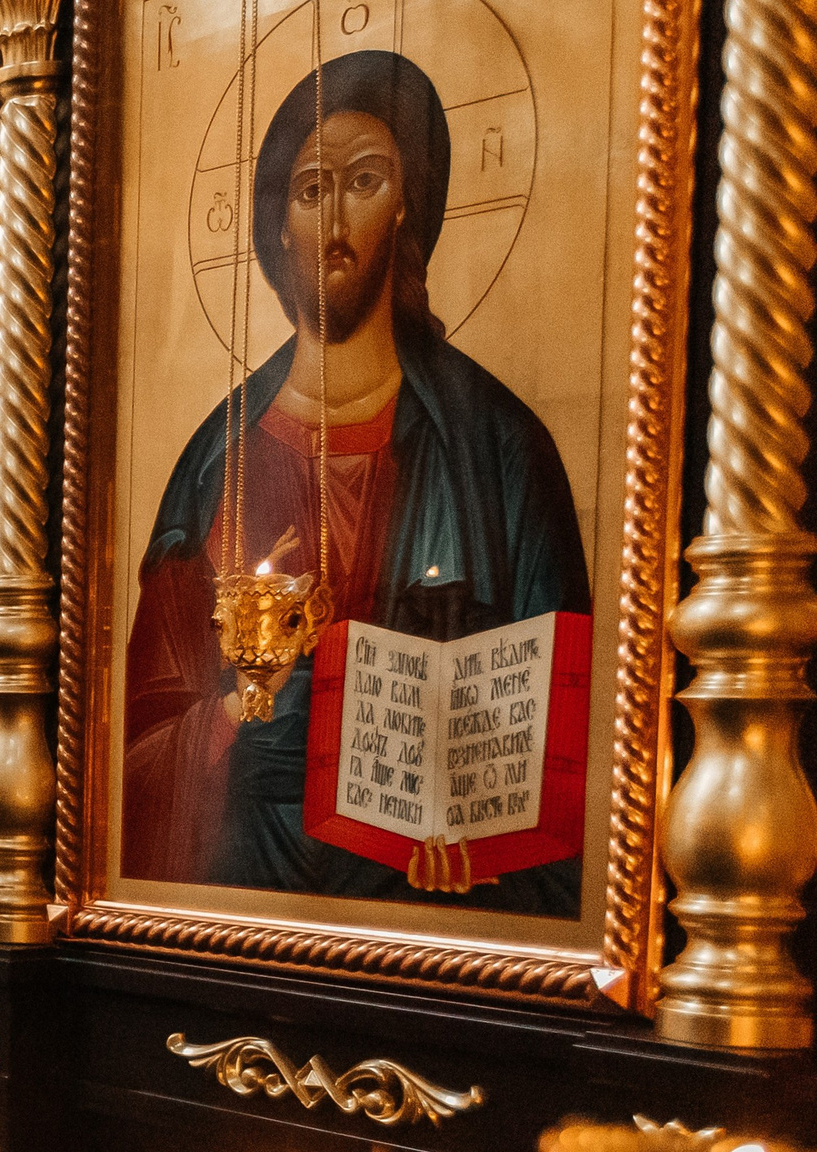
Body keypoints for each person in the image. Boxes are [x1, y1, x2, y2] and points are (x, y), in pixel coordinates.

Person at [118, 49, 586, 912]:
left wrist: (483, 843)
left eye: (364, 181)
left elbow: (557, 743)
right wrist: (226, 724)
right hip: (234, 912)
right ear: (279, 226)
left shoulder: (499, 452)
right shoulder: (214, 462)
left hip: (419, 920)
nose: (333, 219)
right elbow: (136, 747)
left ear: (407, 205)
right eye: (309, 190)